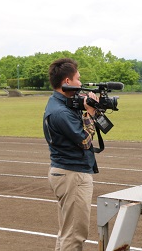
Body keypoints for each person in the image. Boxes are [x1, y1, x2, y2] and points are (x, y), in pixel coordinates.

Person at [43, 58, 100, 251]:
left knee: (67, 232)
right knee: (75, 235)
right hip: (72, 175)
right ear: (66, 81)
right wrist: (90, 113)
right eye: (78, 78)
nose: (80, 83)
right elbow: (85, 141)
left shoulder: (60, 104)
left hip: (66, 172)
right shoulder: (61, 113)